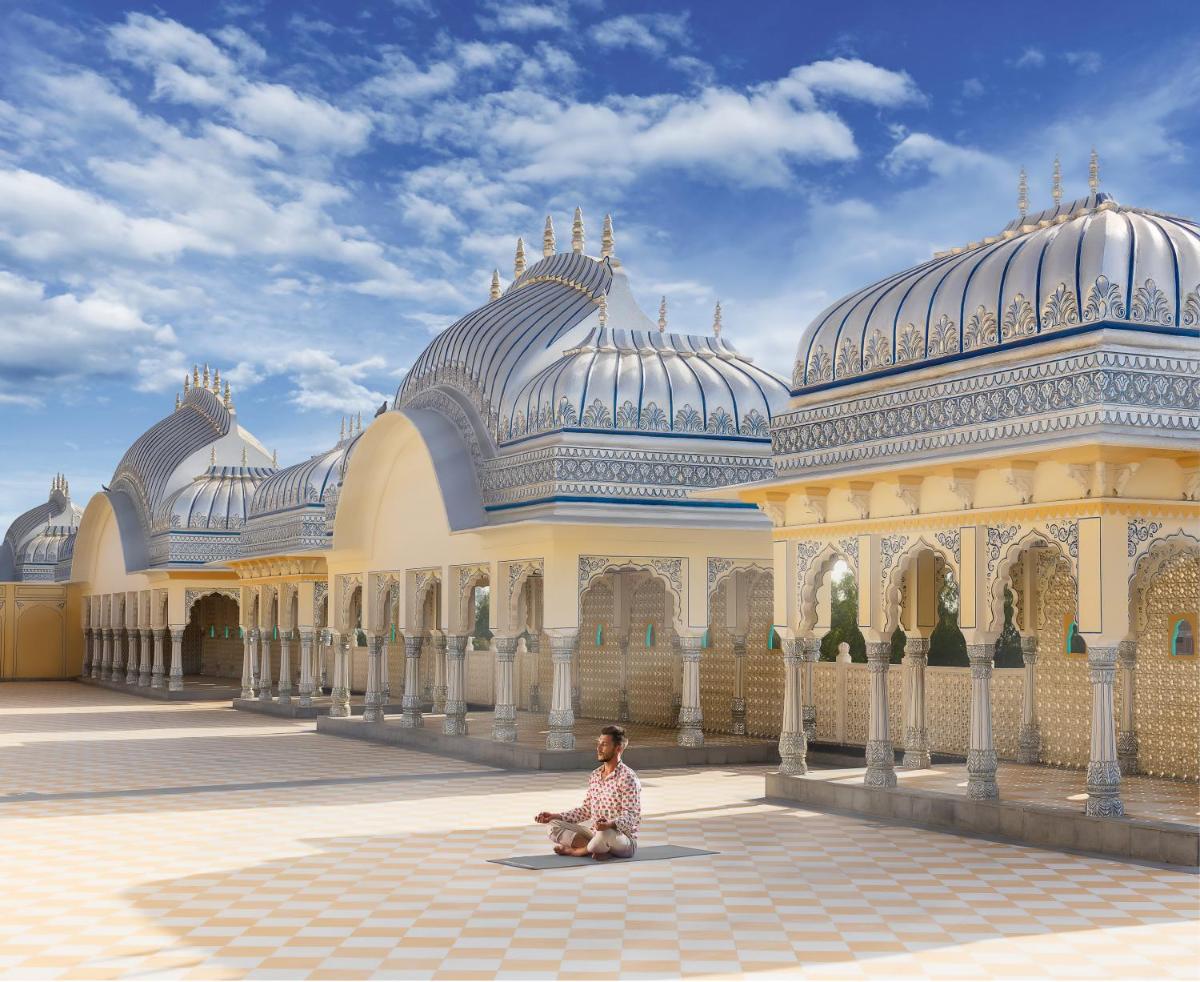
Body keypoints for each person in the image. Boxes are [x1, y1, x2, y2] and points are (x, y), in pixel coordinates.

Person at [535, 724, 641, 859]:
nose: (598, 748)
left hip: (621, 839)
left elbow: (631, 816)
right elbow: (585, 810)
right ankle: (597, 849)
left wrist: (609, 824)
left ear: (618, 749)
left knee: (606, 833)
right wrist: (555, 816)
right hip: (596, 834)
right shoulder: (595, 775)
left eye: (604, 745)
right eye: (599, 744)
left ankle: (578, 851)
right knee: (552, 826)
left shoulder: (628, 778)